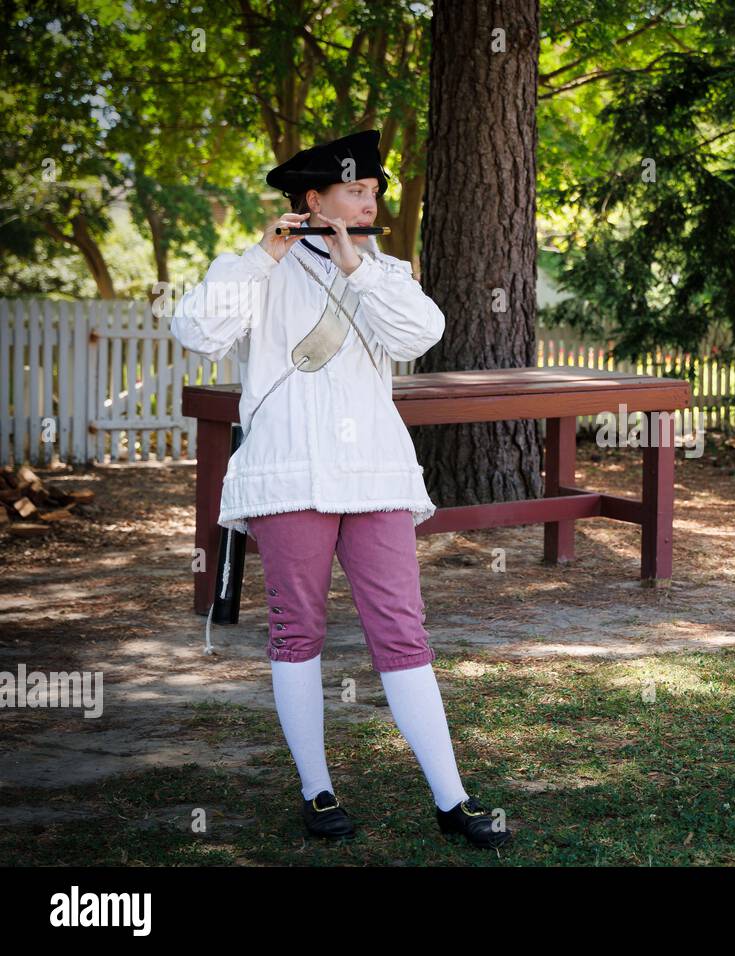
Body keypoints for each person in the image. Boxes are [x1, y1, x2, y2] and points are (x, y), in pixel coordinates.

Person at [170, 129, 509, 848]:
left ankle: (451, 798)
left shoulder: (385, 269)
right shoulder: (254, 268)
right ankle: (316, 791)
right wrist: (264, 255)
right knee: (299, 630)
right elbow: (197, 332)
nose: (370, 200)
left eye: (373, 191)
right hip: (290, 471)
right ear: (312, 198)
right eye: (356, 190)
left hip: (375, 474)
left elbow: (421, 333)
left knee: (402, 627)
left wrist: (356, 266)